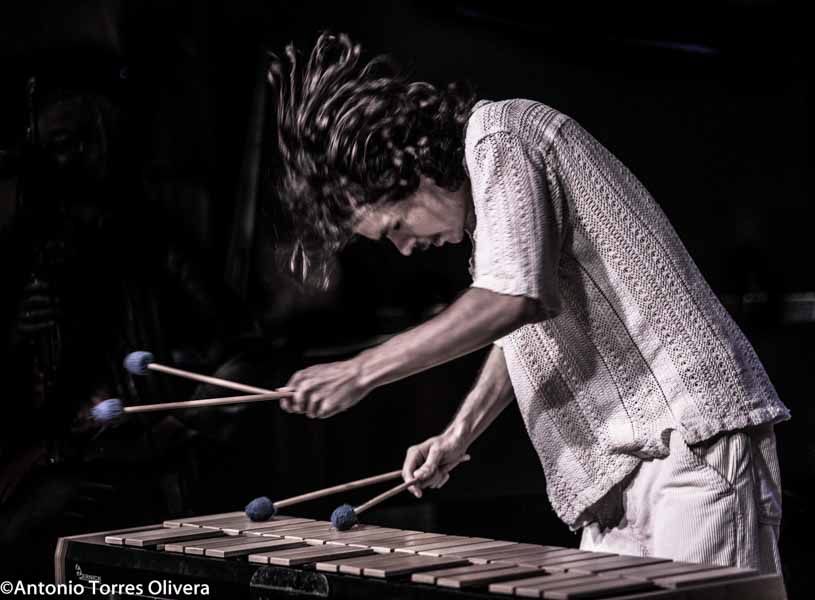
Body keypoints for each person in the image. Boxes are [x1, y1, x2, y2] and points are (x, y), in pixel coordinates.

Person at [267, 32, 790, 574]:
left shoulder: (501, 136)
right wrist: (458, 435)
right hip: (628, 466)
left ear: (413, 172)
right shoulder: (491, 215)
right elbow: (519, 330)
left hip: (690, 441)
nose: (404, 247)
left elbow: (516, 298)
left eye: (395, 226)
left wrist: (359, 372)